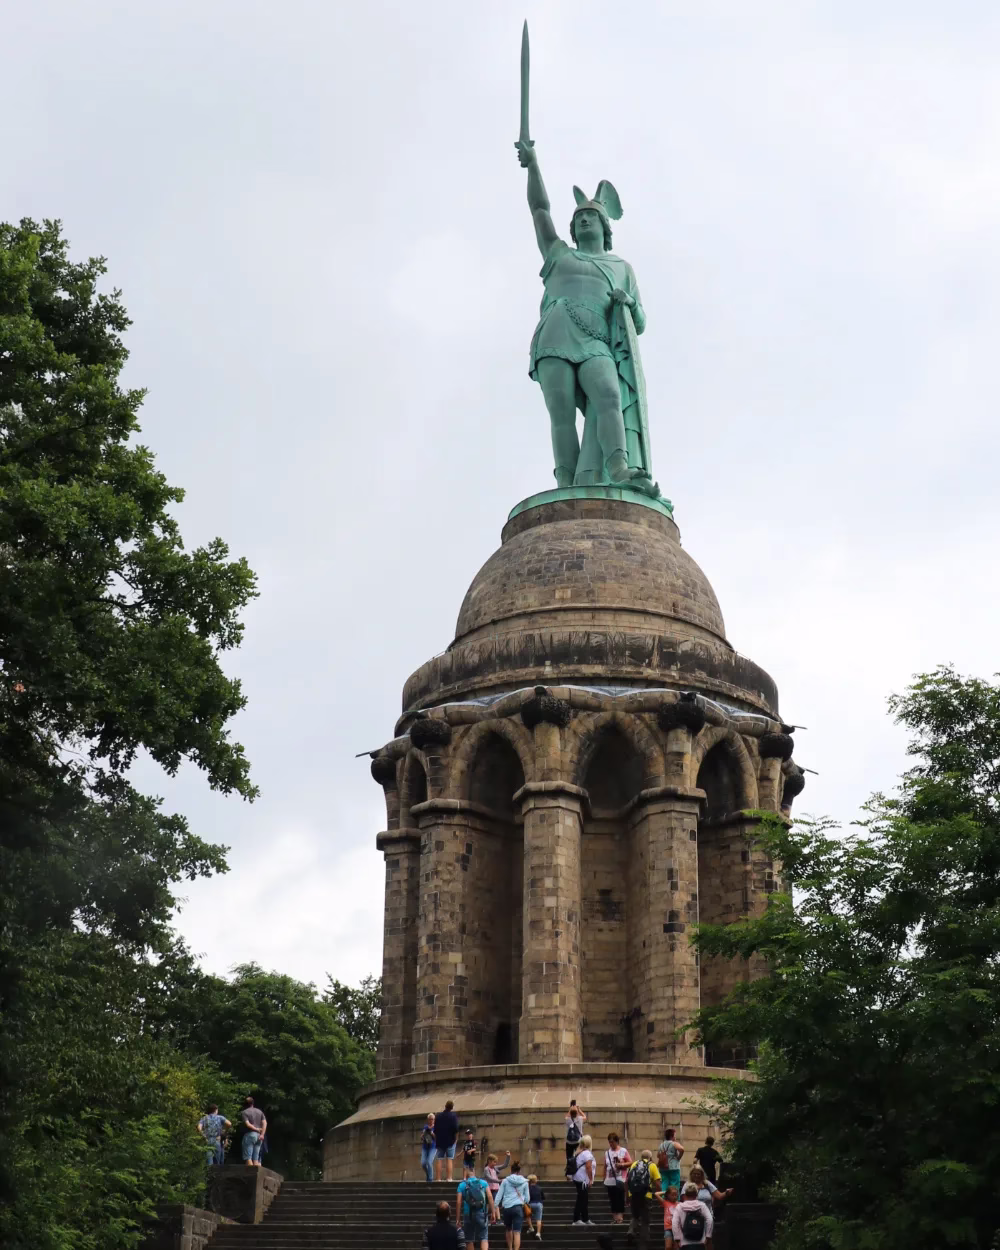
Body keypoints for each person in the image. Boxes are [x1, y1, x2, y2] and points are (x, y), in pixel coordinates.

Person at [515, 142, 658, 497]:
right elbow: (539, 210)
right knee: (560, 413)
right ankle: (566, 483)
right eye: (578, 217)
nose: (583, 219)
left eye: (590, 216)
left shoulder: (622, 268)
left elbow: (638, 321)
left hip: (596, 341)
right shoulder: (559, 254)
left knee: (609, 395)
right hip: (556, 335)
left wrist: (626, 302)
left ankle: (618, 466)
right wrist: (533, 166)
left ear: (604, 226)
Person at [625, 1148, 661, 1250]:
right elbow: (658, 1184)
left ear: (641, 1157)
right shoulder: (652, 1165)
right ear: (650, 1158)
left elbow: (627, 1181)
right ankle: (643, 1243)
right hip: (646, 1196)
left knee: (635, 1215)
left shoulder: (634, 1164)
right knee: (645, 1220)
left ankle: (631, 1232)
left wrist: (627, 1196)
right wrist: (660, 1197)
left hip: (633, 1194)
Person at [458, 1161, 496, 1250]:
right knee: (484, 1238)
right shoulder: (483, 1183)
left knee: (469, 1239)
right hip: (481, 1212)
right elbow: (490, 1197)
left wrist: (458, 1218)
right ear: (474, 1172)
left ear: (466, 1173)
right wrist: (493, 1213)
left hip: (468, 1213)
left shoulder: (462, 1185)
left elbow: (458, 1202)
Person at [495, 1161, 531, 1250]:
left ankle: (510, 1248)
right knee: (517, 1232)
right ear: (519, 1171)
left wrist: (495, 1207)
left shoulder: (505, 1181)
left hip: (507, 1207)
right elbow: (527, 1199)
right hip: (518, 1208)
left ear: (511, 1171)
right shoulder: (525, 1182)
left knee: (508, 1229)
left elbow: (499, 1195)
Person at [671, 1183, 713, 1248]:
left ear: (685, 1194)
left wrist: (677, 1239)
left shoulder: (679, 1206)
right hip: (700, 1241)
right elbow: (710, 1219)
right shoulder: (702, 1205)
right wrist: (708, 1236)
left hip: (684, 1242)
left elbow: (674, 1223)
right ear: (696, 1194)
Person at [603, 1131, 631, 1224]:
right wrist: (604, 1178)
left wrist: (622, 1164)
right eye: (609, 1142)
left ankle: (620, 1218)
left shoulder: (623, 1151)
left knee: (619, 1198)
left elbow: (630, 1162)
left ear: (616, 1141)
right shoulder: (607, 1152)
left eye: (612, 1142)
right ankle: (615, 1217)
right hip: (609, 1179)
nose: (611, 1144)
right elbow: (605, 1166)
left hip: (620, 1178)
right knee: (612, 1199)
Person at [571, 1134, 596, 1226]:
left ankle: (585, 1218)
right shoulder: (587, 1154)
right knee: (582, 1199)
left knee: (584, 1199)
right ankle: (576, 1219)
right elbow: (588, 1167)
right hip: (582, 1180)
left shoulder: (579, 1153)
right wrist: (591, 1179)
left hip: (578, 1179)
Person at [434, 1100, 460, 1182]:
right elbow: (456, 1129)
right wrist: (456, 1139)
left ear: (445, 1106)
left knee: (439, 1159)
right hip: (450, 1141)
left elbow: (435, 1130)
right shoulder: (453, 1116)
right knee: (449, 1159)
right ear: (452, 1107)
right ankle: (449, 1178)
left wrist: (437, 1139)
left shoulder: (438, 1116)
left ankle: (438, 1179)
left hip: (440, 1140)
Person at [240, 1095, 266, 1168]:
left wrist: (256, 1129)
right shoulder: (259, 1111)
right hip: (259, 1136)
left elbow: (248, 1124)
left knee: (248, 1158)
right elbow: (265, 1123)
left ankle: (250, 1177)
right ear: (253, 1103)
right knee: (256, 1160)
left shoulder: (244, 1112)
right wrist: (262, 1134)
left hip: (250, 1135)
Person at [484, 1151, 511, 1220]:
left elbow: (505, 1165)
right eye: (494, 1162)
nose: (495, 1164)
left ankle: (498, 1218)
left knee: (496, 1203)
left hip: (496, 1188)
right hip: (489, 1188)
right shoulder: (486, 1169)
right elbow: (489, 1178)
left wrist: (508, 1156)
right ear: (489, 1161)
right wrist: (499, 1181)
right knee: (488, 1204)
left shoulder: (495, 1168)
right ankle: (486, 1217)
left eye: (496, 1162)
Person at [657, 1129, 684, 1196]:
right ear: (672, 1136)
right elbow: (682, 1149)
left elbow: (658, 1155)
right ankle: (675, 1201)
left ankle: (664, 1200)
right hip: (674, 1167)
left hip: (663, 1168)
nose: (675, 1137)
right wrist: (679, 1157)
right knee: (674, 1185)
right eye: (675, 1135)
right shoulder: (674, 1143)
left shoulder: (661, 1145)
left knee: (664, 1184)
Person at [659, 1184, 679, 1250]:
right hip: (668, 1228)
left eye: (675, 1194)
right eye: (672, 1195)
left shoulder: (679, 1204)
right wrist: (666, 1192)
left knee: (676, 1247)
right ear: (668, 1195)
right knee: (668, 1247)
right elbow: (656, 1194)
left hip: (677, 1228)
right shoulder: (665, 1202)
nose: (674, 1196)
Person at [420, 1112, 437, 1184]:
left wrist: (432, 1133)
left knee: (429, 1162)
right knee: (423, 1163)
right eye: (430, 1119)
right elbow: (421, 1138)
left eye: (432, 1119)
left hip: (433, 1147)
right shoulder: (425, 1127)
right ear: (428, 1120)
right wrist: (423, 1134)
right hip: (425, 1147)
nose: (431, 1120)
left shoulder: (436, 1127)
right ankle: (428, 1174)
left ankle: (430, 1179)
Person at [527, 1174, 545, 1240]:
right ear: (536, 1180)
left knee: (527, 1215)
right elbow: (543, 1197)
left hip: (530, 1204)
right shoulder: (539, 1188)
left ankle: (531, 1227)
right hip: (539, 1204)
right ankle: (538, 1233)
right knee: (539, 1219)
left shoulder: (527, 1188)